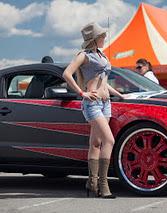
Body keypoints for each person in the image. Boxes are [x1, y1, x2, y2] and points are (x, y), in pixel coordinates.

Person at [63, 22, 124, 199]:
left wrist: (121, 95)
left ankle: (92, 182)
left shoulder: (101, 55)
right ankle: (103, 185)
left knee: (96, 143)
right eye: (102, 36)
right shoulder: (84, 55)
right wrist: (82, 93)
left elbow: (104, 82)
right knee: (109, 140)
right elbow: (66, 74)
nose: (105, 38)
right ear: (94, 38)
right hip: (93, 103)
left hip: (106, 103)